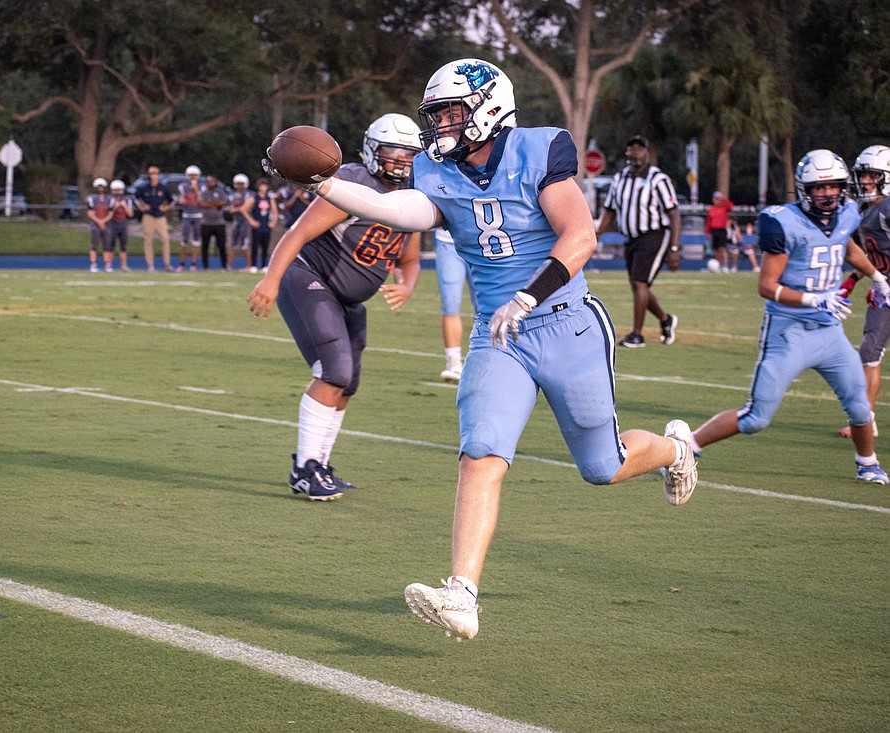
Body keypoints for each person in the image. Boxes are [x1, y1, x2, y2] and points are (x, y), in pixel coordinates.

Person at [265, 58, 699, 639]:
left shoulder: (538, 150)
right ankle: (461, 595)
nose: (440, 124)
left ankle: (674, 450)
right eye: (436, 113)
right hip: (498, 338)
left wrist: (527, 295)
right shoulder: (437, 172)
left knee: (603, 466)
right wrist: (326, 183)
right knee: (480, 452)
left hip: (566, 323)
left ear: (488, 108)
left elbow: (582, 235)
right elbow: (404, 211)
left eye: (450, 111)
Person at [248, 112, 423, 501]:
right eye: (394, 152)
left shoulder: (413, 197)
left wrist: (406, 286)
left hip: (347, 298)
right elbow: (299, 232)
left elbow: (410, 259)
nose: (401, 161)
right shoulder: (355, 184)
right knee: (334, 371)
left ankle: (319, 465)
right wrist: (271, 279)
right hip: (310, 278)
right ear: (373, 150)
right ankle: (305, 467)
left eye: (410, 154)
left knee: (349, 382)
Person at [690, 149, 889, 485]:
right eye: (818, 187)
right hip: (789, 330)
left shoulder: (848, 213)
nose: (827, 194)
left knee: (859, 407)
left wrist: (878, 277)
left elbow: (847, 247)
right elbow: (766, 286)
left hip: (828, 331)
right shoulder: (783, 221)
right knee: (756, 418)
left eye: (834, 186)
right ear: (803, 189)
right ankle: (688, 443)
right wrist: (815, 298)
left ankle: (866, 462)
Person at [596, 135, 682, 347]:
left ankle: (637, 334)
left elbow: (674, 214)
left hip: (654, 235)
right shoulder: (619, 179)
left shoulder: (658, 179)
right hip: (631, 238)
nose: (635, 152)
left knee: (639, 283)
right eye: (631, 148)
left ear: (647, 153)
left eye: (639, 148)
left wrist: (674, 247)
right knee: (638, 286)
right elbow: (609, 211)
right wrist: (597, 234)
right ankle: (665, 319)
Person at [836, 144, 890, 440]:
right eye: (863, 175)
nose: (865, 181)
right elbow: (874, 257)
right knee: (869, 351)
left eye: (872, 175)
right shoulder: (865, 209)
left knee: (870, 351)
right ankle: (867, 419)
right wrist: (854, 279)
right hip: (884, 291)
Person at [433, 226, 476, 382]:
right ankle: (453, 362)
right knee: (450, 303)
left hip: (481, 242)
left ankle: (484, 360)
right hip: (447, 240)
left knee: (484, 307)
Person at [135, 166, 174, 272]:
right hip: (148, 216)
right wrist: (141, 206)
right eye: (152, 174)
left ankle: (167, 264)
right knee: (148, 240)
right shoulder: (144, 188)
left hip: (160, 217)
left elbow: (171, 200)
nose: (154, 176)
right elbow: (135, 198)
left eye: (156, 174)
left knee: (165, 239)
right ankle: (150, 265)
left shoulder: (163, 188)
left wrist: (166, 207)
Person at [241, 177, 277, 273]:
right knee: (255, 246)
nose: (263, 187)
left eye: (265, 185)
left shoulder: (270, 199)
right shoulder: (254, 198)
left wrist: (273, 222)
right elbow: (243, 209)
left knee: (265, 246)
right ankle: (253, 265)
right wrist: (251, 221)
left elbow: (275, 212)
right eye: (262, 185)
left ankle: (264, 265)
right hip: (257, 226)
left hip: (266, 226)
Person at [199, 175, 230, 270]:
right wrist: (215, 203)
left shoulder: (220, 191)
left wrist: (210, 203)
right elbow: (202, 203)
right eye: (209, 181)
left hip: (219, 223)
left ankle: (224, 266)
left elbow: (224, 202)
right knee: (205, 245)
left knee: (221, 245)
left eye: (212, 181)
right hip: (206, 223)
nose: (210, 183)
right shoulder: (204, 192)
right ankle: (205, 266)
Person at [176, 166, 203, 271]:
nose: (192, 178)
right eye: (191, 176)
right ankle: (181, 264)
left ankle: (193, 264)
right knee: (184, 240)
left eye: (194, 176)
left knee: (196, 240)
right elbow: (181, 199)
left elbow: (201, 201)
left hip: (197, 215)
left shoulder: (201, 187)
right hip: (187, 215)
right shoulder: (182, 186)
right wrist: (181, 200)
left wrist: (196, 190)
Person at [105, 179, 134, 272]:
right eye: (116, 190)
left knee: (123, 246)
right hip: (112, 224)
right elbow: (107, 214)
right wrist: (115, 207)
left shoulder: (127, 200)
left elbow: (131, 214)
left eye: (119, 190)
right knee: (110, 245)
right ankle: (108, 265)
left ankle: (124, 266)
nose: (118, 192)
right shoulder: (109, 200)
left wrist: (124, 206)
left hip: (123, 224)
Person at [85, 177, 113, 272]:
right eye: (98, 187)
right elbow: (90, 212)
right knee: (94, 245)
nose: (100, 189)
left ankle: (107, 264)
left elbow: (111, 213)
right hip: (95, 224)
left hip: (106, 224)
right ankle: (93, 264)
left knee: (107, 245)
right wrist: (99, 221)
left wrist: (103, 221)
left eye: (102, 187)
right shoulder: (91, 198)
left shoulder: (109, 199)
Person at [229, 174, 252, 269]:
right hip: (236, 221)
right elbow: (231, 210)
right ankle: (229, 266)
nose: (239, 186)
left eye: (241, 184)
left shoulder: (249, 194)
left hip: (245, 222)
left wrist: (238, 208)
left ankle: (249, 266)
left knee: (245, 245)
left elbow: (247, 208)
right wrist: (241, 208)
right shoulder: (233, 195)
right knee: (232, 244)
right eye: (238, 184)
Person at [706, 190, 734, 272]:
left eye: (718, 199)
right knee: (716, 249)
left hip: (721, 230)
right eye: (715, 199)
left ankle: (725, 266)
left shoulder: (724, 208)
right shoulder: (711, 209)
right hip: (713, 230)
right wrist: (707, 232)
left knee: (722, 248)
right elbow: (708, 221)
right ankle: (717, 266)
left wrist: (724, 199)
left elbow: (731, 207)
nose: (716, 201)